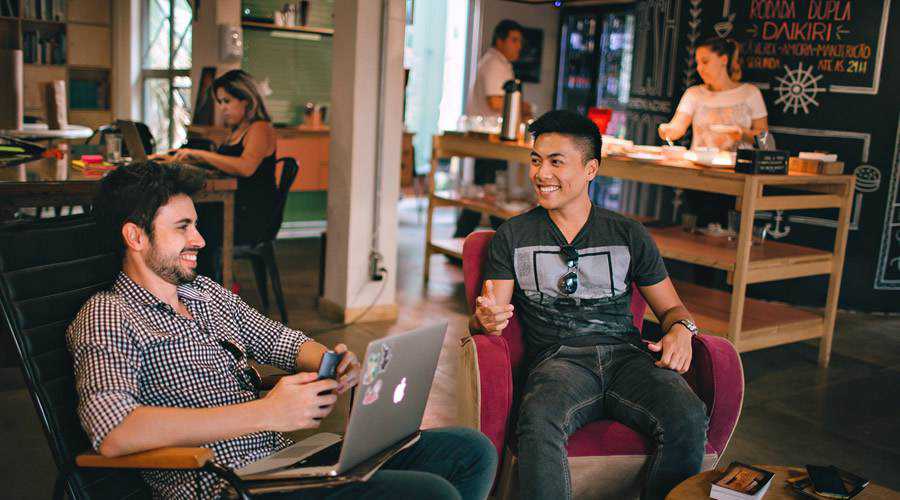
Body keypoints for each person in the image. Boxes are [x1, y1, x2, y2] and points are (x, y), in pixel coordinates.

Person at [68, 161, 497, 499]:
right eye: (183, 228)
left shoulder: (205, 294)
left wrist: (331, 362)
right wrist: (267, 413)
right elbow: (114, 432)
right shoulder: (109, 314)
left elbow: (278, 340)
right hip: (228, 486)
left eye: (196, 225)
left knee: (470, 450)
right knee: (431, 494)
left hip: (285, 462)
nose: (199, 240)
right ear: (135, 236)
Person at [470, 110, 708, 500]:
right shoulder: (512, 236)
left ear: (591, 169)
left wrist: (683, 330)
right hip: (558, 361)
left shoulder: (628, 233)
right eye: (536, 160)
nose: (540, 174)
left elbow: (673, 310)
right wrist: (483, 320)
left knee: (687, 414)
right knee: (538, 418)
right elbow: (488, 317)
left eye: (556, 162)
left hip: (628, 358)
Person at [153, 69, 278, 248]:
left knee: (186, 221)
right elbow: (224, 164)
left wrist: (199, 154)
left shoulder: (260, 128)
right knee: (183, 216)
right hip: (235, 206)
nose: (222, 107)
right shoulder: (238, 130)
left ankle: (198, 273)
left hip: (251, 215)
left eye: (227, 101)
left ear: (247, 101)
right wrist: (176, 158)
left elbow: (245, 167)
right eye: (220, 102)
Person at [454, 19, 531, 239]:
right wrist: (524, 107)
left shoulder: (498, 63)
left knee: (486, 198)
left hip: (492, 141)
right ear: (500, 40)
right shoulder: (494, 63)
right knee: (490, 198)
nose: (519, 46)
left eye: (520, 41)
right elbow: (496, 102)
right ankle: (502, 247)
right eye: (514, 40)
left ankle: (467, 244)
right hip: (490, 141)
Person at [658, 37, 768, 151]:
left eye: (705, 61)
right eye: (698, 63)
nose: (700, 68)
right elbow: (678, 127)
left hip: (738, 165)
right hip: (699, 164)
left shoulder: (750, 93)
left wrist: (742, 133)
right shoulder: (693, 93)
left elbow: (765, 138)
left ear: (724, 60)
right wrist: (667, 130)